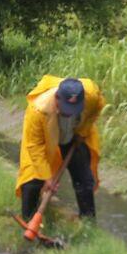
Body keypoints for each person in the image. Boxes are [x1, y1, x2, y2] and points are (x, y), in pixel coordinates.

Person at [16, 76, 105, 222]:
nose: (69, 113)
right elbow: (35, 147)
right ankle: (29, 218)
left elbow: (94, 112)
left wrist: (82, 131)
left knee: (84, 179)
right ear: (57, 97)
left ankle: (88, 222)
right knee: (32, 179)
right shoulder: (38, 110)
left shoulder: (91, 95)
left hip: (73, 135)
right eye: (65, 109)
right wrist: (47, 178)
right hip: (44, 138)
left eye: (74, 109)